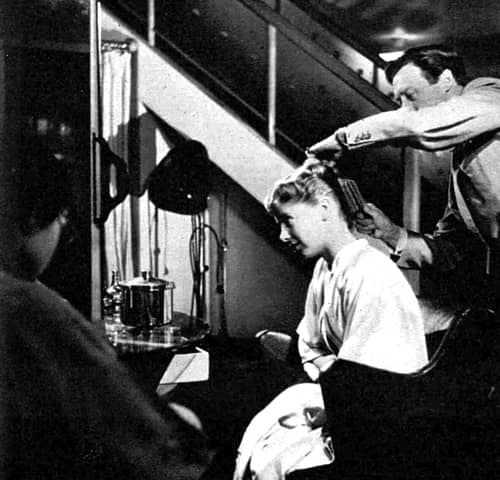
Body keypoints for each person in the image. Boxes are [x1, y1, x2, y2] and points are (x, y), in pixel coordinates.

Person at [0, 137, 213, 480]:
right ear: (31, 218)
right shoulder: (28, 305)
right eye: (62, 216)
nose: (65, 227)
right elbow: (156, 451)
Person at [233, 158, 428, 480]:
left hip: (380, 416)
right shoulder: (327, 268)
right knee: (260, 437)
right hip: (340, 397)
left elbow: (365, 380)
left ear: (324, 207)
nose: (282, 235)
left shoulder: (371, 272)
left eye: (288, 220)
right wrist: (322, 369)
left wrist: (325, 373)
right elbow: (309, 344)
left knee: (281, 456)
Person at [308, 44, 500, 311]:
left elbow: (418, 126)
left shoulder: (491, 94)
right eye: (399, 102)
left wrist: (343, 139)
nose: (405, 110)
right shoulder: (464, 160)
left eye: (411, 96)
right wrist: (390, 232)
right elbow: (451, 251)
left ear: (445, 81)